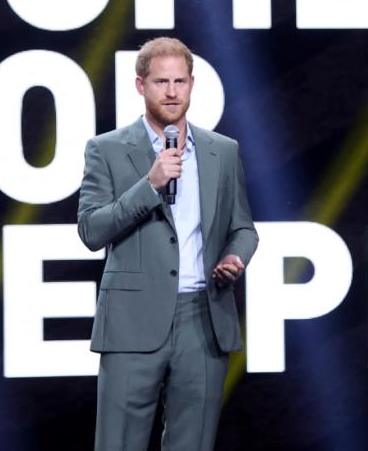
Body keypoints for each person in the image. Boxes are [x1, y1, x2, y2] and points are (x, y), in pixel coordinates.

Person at [77, 37, 258, 451]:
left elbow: (243, 228)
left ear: (192, 83)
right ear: (141, 86)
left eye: (180, 81)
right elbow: (91, 230)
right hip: (131, 321)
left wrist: (235, 256)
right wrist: (151, 185)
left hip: (204, 317)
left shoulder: (222, 151)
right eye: (161, 82)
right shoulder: (106, 150)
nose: (172, 91)